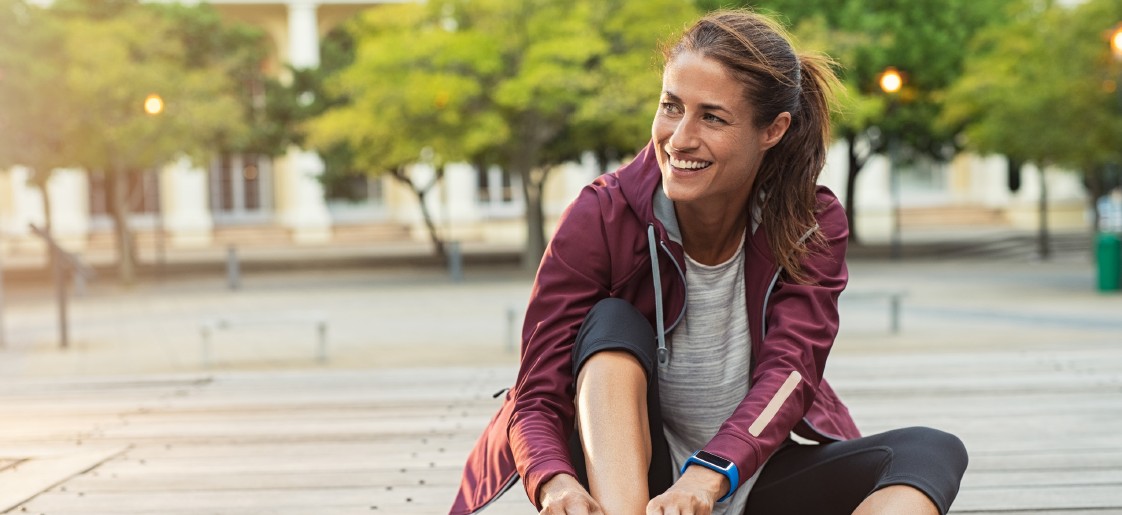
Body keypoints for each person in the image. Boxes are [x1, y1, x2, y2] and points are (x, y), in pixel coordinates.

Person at [451, 9, 967, 515]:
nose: (680, 138)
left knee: (930, 451)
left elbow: (791, 371)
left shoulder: (811, 223)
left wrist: (709, 474)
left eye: (712, 117)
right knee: (611, 324)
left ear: (773, 129)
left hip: (747, 474)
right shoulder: (601, 216)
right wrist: (554, 483)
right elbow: (536, 391)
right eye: (671, 106)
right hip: (629, 492)